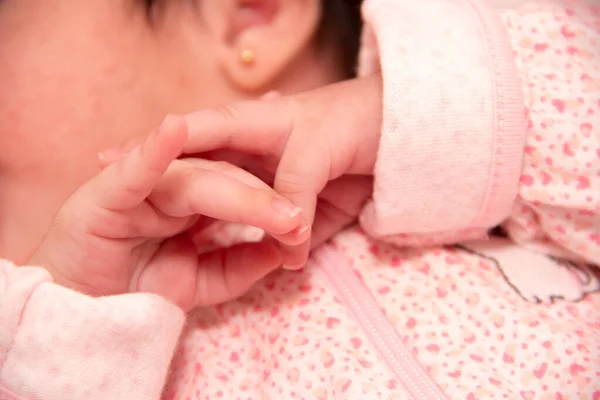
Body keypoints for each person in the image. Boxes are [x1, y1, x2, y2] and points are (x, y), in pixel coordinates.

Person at [1, 0, 598, 399]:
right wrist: (72, 331)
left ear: (250, 14)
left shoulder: (506, 137)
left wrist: (425, 115)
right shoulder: (95, 363)